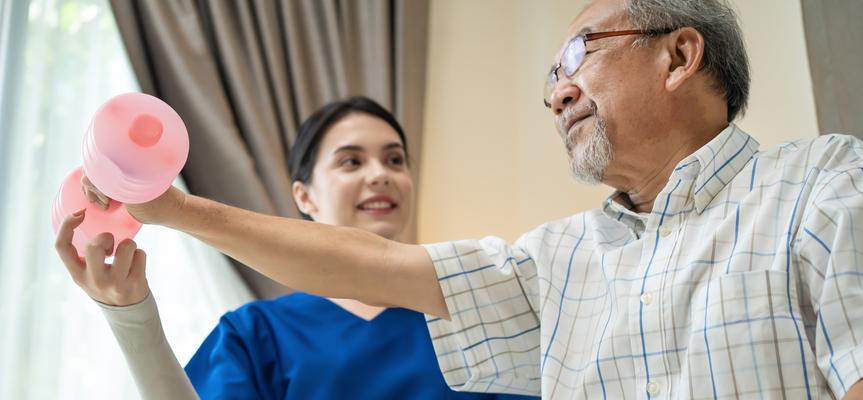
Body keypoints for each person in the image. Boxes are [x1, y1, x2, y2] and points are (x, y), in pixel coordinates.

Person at [59, 0, 863, 398]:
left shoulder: (829, 184)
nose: (556, 94)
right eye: (348, 162)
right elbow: (381, 268)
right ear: (300, 196)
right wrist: (172, 209)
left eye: (576, 56)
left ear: (679, 56)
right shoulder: (556, 264)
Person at [57, 97, 536, 399]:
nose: (381, 173)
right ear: (303, 196)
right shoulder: (256, 334)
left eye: (394, 159)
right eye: (351, 161)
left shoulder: (473, 310)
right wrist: (130, 315)